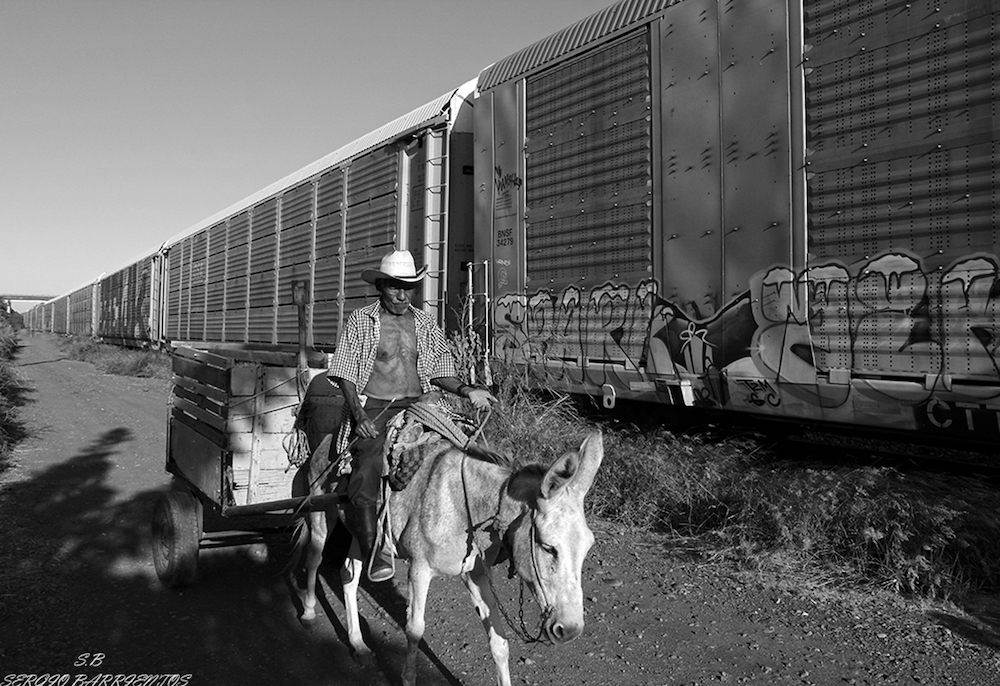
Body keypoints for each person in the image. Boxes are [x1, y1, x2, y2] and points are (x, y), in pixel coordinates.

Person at [327, 249, 495, 582]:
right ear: (381, 286)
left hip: (421, 405)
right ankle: (373, 550)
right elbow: (344, 372)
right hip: (375, 405)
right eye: (395, 287)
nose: (402, 296)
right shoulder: (361, 320)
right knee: (368, 466)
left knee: (465, 449)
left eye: (409, 287)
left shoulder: (425, 322)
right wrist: (359, 414)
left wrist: (467, 390)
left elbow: (442, 370)